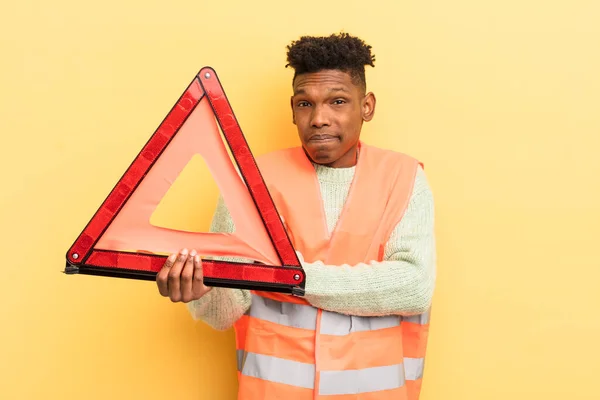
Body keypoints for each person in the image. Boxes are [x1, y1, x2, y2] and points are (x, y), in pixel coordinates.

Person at [156, 32, 436, 399]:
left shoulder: (404, 177)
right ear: (292, 109)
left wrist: (293, 278)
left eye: (338, 102)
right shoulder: (253, 182)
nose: (319, 119)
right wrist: (200, 292)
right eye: (305, 104)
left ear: (366, 106)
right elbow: (227, 308)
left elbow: (413, 287)